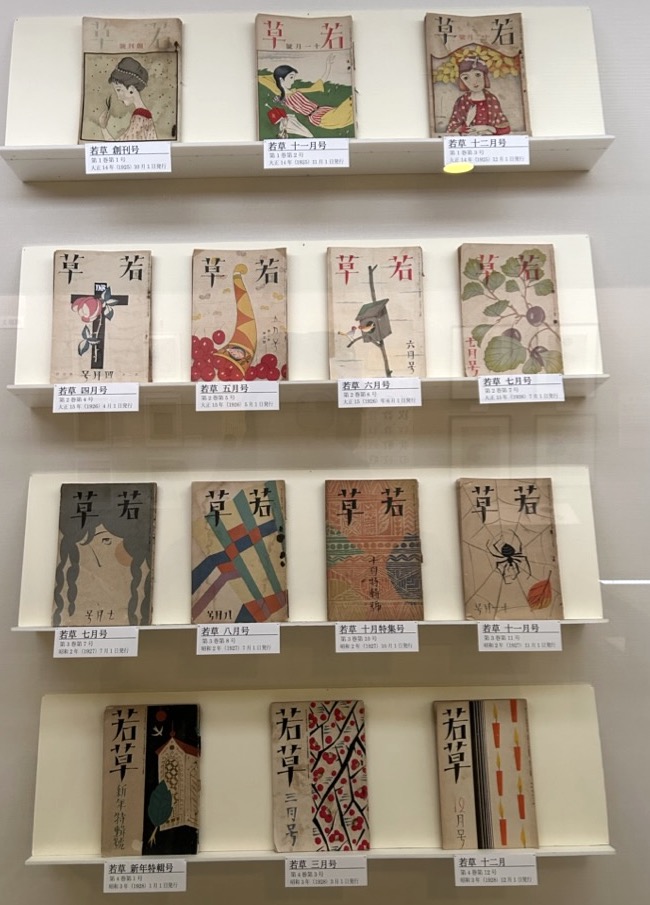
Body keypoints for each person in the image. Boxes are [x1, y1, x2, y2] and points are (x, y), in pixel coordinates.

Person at [259, 55, 354, 137]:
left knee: (351, 112)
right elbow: (261, 78)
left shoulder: (296, 91)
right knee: (348, 109)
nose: (293, 80)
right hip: (319, 117)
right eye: (291, 77)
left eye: (293, 77)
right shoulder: (282, 96)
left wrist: (328, 66)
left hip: (324, 110)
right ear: (281, 79)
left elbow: (317, 86)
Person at [446, 57, 511, 135]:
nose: (474, 82)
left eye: (477, 75)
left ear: (484, 75)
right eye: (466, 78)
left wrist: (486, 127)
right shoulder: (462, 101)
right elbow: (452, 130)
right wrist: (467, 121)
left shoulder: (492, 99)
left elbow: (505, 129)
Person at [98, 56, 157, 141]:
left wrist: (103, 128)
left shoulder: (139, 118)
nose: (118, 97)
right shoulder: (146, 117)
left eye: (119, 90)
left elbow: (119, 147)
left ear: (131, 89)